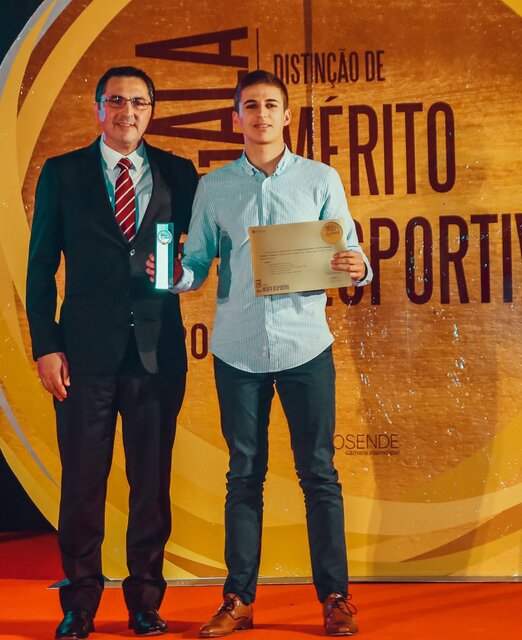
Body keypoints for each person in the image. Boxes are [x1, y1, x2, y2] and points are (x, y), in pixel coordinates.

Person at [149, 69, 371, 637]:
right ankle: (238, 600)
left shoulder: (320, 178)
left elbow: (349, 250)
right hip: (238, 350)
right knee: (244, 475)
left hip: (306, 345)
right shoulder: (216, 186)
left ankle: (336, 598)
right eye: (251, 106)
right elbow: (196, 262)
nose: (262, 115)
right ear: (236, 118)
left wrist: (359, 266)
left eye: (271, 105)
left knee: (319, 474)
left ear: (287, 115)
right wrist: (176, 276)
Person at [26, 66, 199, 639]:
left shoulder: (178, 172)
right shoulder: (63, 172)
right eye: (117, 100)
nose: (129, 111)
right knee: (82, 484)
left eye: (140, 102)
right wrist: (46, 346)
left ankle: (145, 601)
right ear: (99, 108)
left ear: (152, 110)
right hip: (82, 356)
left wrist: (184, 271)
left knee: (151, 485)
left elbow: (201, 251)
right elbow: (40, 268)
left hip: (156, 352)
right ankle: (79, 605)